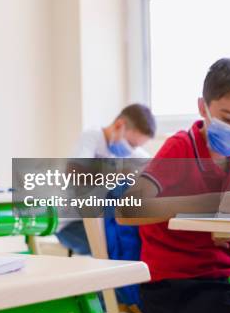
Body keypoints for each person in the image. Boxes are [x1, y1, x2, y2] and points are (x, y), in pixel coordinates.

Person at [119, 57, 230, 313]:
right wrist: (219, 203)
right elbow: (127, 210)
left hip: (226, 280)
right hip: (171, 287)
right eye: (228, 119)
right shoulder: (181, 149)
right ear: (202, 108)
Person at [56, 104, 156, 255]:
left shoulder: (132, 153)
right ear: (119, 125)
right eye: (132, 144)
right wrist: (116, 173)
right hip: (72, 224)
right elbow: (73, 172)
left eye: (136, 147)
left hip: (104, 223)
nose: (132, 150)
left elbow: (155, 170)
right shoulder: (92, 136)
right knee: (113, 247)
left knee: (141, 239)